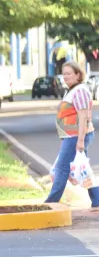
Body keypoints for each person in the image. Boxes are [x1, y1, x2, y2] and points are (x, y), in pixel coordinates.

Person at [45, 61, 99, 208]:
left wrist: (80, 140)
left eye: (69, 73)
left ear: (78, 75)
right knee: (84, 168)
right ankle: (97, 199)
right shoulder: (71, 90)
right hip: (71, 136)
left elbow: (83, 116)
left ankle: (51, 203)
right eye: (64, 74)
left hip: (76, 136)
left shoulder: (80, 90)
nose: (66, 77)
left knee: (62, 168)